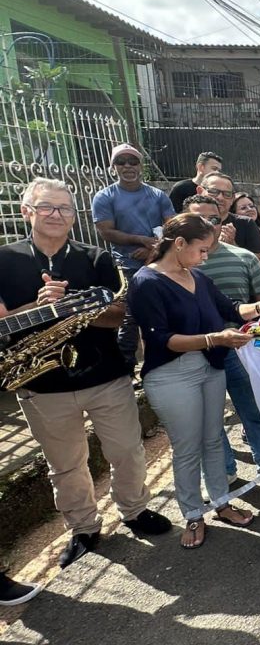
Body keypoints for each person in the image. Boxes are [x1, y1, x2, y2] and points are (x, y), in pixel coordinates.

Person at [0, 177, 171, 568]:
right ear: (26, 211)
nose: (56, 215)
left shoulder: (96, 259)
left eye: (64, 208)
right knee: (66, 464)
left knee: (127, 450)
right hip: (42, 385)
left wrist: (77, 307)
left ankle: (134, 510)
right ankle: (83, 528)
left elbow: (119, 314)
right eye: (46, 207)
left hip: (105, 375)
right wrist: (38, 308)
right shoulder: (4, 260)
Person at [128, 213, 260, 549]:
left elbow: (231, 309)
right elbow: (162, 340)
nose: (206, 257)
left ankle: (221, 503)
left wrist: (258, 308)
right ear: (179, 244)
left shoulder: (197, 276)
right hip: (171, 374)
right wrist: (215, 339)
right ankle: (193, 514)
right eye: (202, 250)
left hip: (211, 367)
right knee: (187, 447)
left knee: (212, 440)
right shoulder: (146, 282)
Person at [184, 196, 260, 496]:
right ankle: (224, 471)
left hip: (240, 350)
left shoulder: (242, 257)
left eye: (212, 219)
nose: (206, 225)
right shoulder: (176, 267)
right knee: (210, 421)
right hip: (193, 353)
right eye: (198, 219)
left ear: (222, 220)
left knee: (253, 411)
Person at [92, 143, 175, 365]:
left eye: (133, 161)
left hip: (160, 263)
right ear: (113, 167)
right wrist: (140, 240)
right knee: (129, 316)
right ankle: (126, 366)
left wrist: (153, 249)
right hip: (126, 265)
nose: (127, 166)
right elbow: (106, 232)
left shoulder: (158, 195)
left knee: (165, 310)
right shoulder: (104, 196)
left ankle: (165, 359)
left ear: (141, 165)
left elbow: (172, 228)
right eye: (121, 162)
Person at [198, 172, 260, 256]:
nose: (220, 197)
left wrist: (233, 246)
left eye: (227, 194)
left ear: (232, 199)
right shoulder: (189, 221)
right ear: (200, 191)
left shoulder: (245, 223)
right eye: (214, 191)